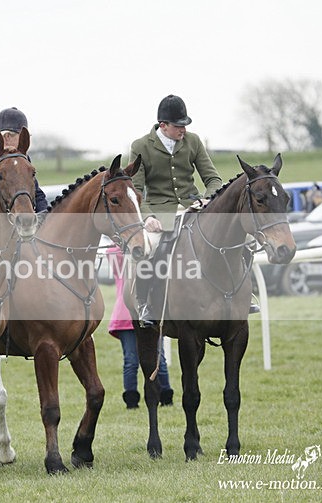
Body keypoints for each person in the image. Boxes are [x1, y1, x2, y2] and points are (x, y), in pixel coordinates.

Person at [128, 94, 224, 327]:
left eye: (185, 125)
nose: (183, 130)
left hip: (194, 208)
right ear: (163, 125)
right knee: (147, 246)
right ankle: (144, 303)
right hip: (161, 213)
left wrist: (205, 200)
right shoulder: (140, 146)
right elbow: (135, 189)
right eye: (178, 126)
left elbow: (213, 179)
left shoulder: (193, 141)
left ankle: (239, 294)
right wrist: (148, 216)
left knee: (231, 237)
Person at [107, 245, 173, 409]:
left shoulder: (152, 256)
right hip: (126, 317)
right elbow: (112, 252)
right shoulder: (120, 257)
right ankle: (131, 400)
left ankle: (165, 396)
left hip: (150, 314)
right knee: (131, 361)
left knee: (159, 359)